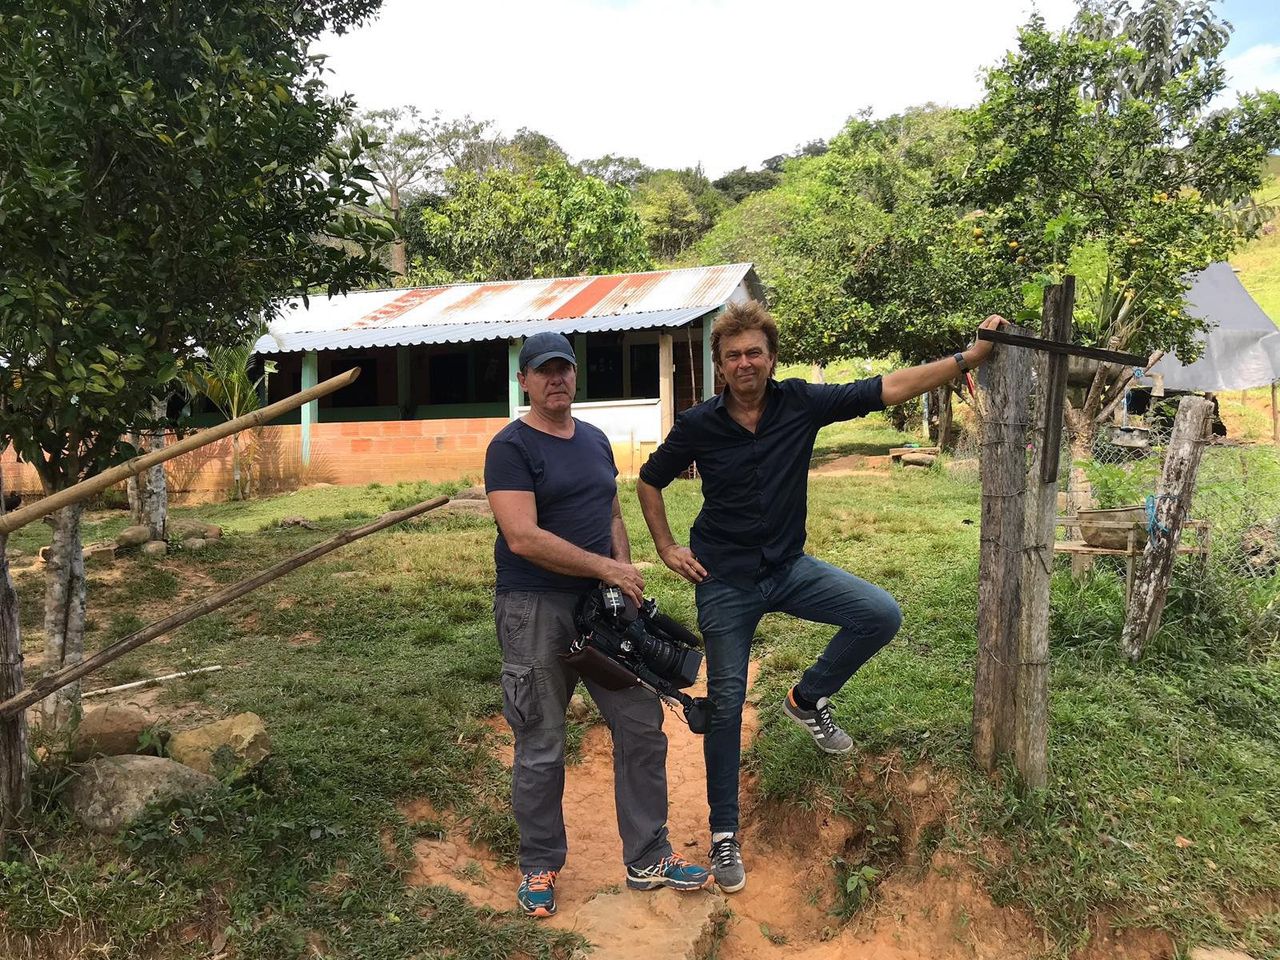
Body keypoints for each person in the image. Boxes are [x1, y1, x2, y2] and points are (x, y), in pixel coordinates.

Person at [636, 301, 1006, 893]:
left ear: (772, 357)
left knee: (879, 614)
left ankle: (807, 698)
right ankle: (725, 833)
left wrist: (971, 358)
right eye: (733, 355)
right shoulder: (699, 424)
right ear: (720, 367)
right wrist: (665, 546)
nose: (745, 362)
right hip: (723, 580)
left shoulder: (800, 403)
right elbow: (649, 479)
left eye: (755, 351)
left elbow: (887, 386)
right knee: (727, 702)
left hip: (787, 568)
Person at [485, 331, 711, 918]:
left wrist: (623, 582)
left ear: (574, 376)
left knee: (640, 725)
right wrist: (606, 566)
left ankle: (648, 857)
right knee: (541, 742)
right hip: (534, 609)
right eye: (544, 371)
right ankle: (539, 864)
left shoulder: (594, 439)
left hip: (603, 612)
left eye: (565, 369)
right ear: (525, 381)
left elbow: (610, 510)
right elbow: (522, 536)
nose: (556, 379)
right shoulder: (510, 447)